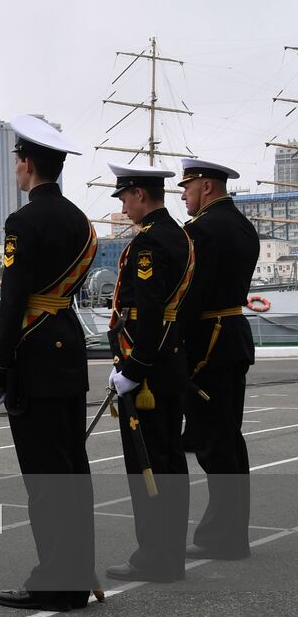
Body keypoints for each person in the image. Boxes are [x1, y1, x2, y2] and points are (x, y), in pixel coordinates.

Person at [0, 116, 96, 611]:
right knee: (71, 469)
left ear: (26, 163)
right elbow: (50, 293)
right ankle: (76, 571)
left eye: (17, 160)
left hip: (35, 355)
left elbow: (19, 295)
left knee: (44, 478)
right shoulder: (81, 223)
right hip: (66, 343)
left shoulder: (22, 223)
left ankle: (55, 582)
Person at [103, 162, 193, 583]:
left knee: (149, 465)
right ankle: (168, 554)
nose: (122, 205)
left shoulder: (150, 244)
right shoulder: (179, 236)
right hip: (170, 360)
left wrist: (133, 368)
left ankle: (155, 556)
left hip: (149, 370)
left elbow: (151, 310)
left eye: (123, 196)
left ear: (140, 194)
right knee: (170, 461)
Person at [177, 158, 259, 560]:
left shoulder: (200, 231)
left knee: (214, 444)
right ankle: (226, 531)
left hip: (207, 344)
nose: (183, 195)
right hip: (232, 337)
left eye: (187, 187)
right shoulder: (243, 226)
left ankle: (225, 536)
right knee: (228, 438)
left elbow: (191, 297)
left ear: (206, 186)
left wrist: (174, 347)